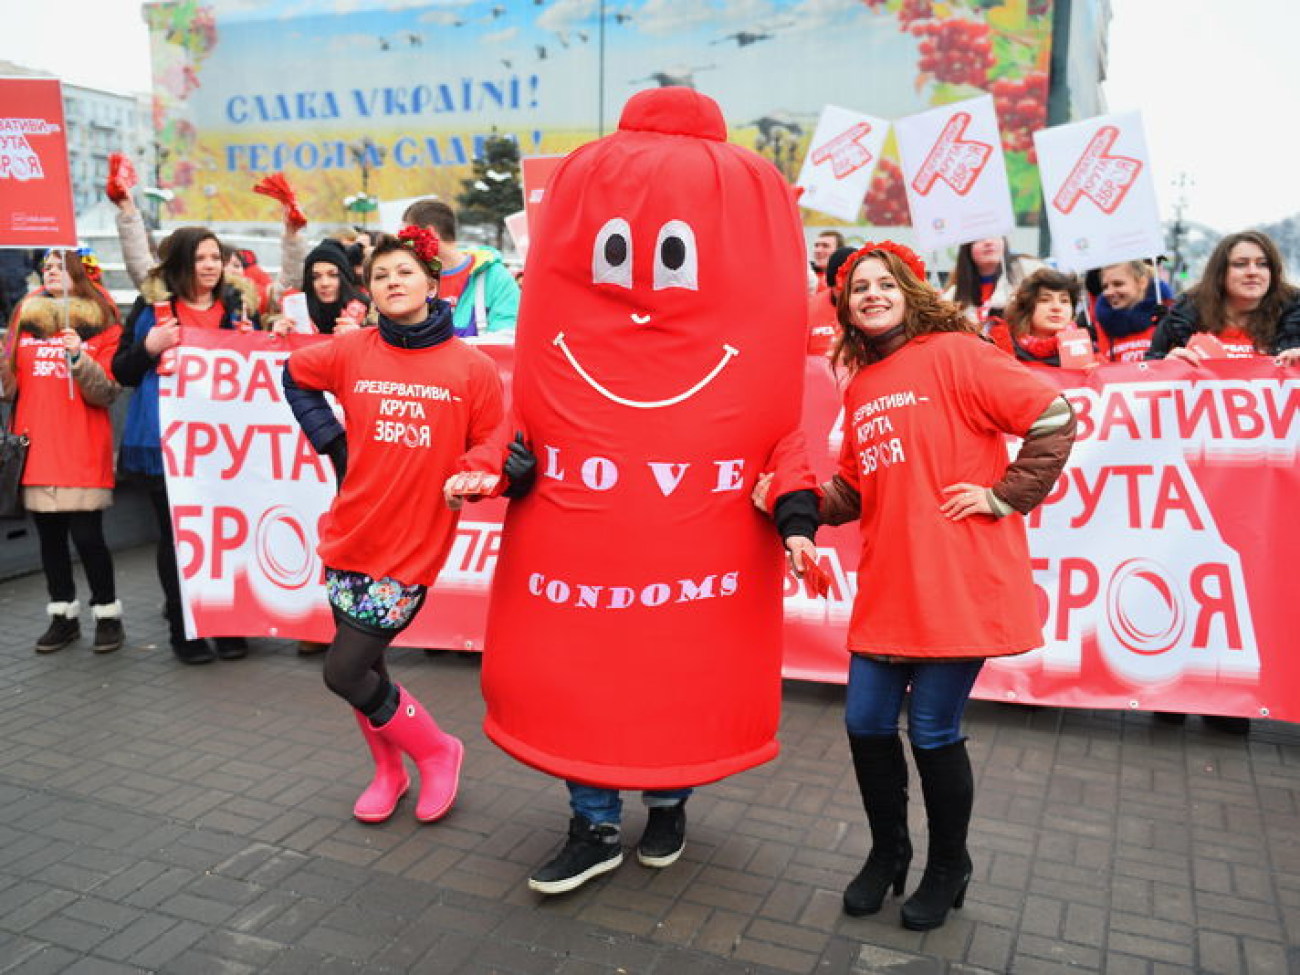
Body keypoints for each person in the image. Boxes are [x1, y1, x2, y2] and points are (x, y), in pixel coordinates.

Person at [789, 241, 1075, 930]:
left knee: (931, 729)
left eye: (885, 283)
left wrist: (1005, 495)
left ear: (909, 290)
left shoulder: (956, 351)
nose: (871, 294)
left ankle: (950, 865)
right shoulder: (858, 386)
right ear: (845, 306)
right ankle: (889, 853)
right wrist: (788, 500)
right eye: (858, 287)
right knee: (863, 723)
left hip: (959, 579)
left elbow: (1054, 416)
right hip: (890, 582)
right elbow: (855, 487)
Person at [281, 227, 508, 824]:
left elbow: (492, 440)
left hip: (412, 545)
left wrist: (476, 472)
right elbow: (295, 373)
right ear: (370, 290)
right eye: (380, 276)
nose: (392, 282)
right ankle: (388, 770)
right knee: (369, 672)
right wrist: (331, 441)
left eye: (404, 272)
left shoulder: (471, 366)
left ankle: (437, 751)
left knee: (344, 670)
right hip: (349, 534)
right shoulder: (352, 349)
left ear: (432, 283)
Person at [112, 226, 262, 665]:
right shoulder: (153, 306)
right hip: (167, 443)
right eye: (201, 258)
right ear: (180, 263)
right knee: (178, 539)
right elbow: (123, 370)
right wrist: (149, 347)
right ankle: (185, 630)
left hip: (225, 444)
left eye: (216, 257)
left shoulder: (237, 304)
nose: (212, 266)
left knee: (227, 536)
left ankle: (229, 625)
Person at [1, 250, 126, 654]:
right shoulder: (25, 311)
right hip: (34, 443)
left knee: (88, 537)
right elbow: (9, 388)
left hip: (81, 444)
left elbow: (106, 391)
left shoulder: (101, 317)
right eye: (47, 266)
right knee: (50, 540)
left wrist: (77, 356)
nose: (52, 271)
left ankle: (107, 615)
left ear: (77, 272)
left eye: (60, 265)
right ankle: (62, 616)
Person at [1146, 230, 1300, 367]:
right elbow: (1147, 379)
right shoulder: (1180, 320)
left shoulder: (1293, 316)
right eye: (1240, 264)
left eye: (1263, 264)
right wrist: (1165, 367)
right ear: (1220, 273)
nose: (1253, 272)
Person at [400, 199, 520, 336]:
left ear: (429, 232)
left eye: (408, 237)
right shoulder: (413, 280)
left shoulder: (495, 277)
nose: (405, 245)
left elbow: (506, 337)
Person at [987, 268, 1089, 368]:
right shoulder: (1001, 349)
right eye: (1045, 300)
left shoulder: (1085, 349)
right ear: (1027, 306)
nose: (1057, 307)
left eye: (1064, 301)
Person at [943, 237, 1039, 328]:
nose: (988, 242)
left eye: (994, 235)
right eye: (979, 238)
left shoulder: (1031, 273)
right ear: (967, 248)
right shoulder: (952, 297)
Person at [1094, 260, 1172, 362]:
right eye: (1105, 287)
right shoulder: (1097, 329)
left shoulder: (1167, 321)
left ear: (1142, 283)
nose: (1109, 292)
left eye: (1118, 284)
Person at [807, 245, 855, 356]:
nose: (846, 295)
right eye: (840, 287)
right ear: (831, 284)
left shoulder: (871, 309)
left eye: (855, 289)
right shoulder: (809, 308)